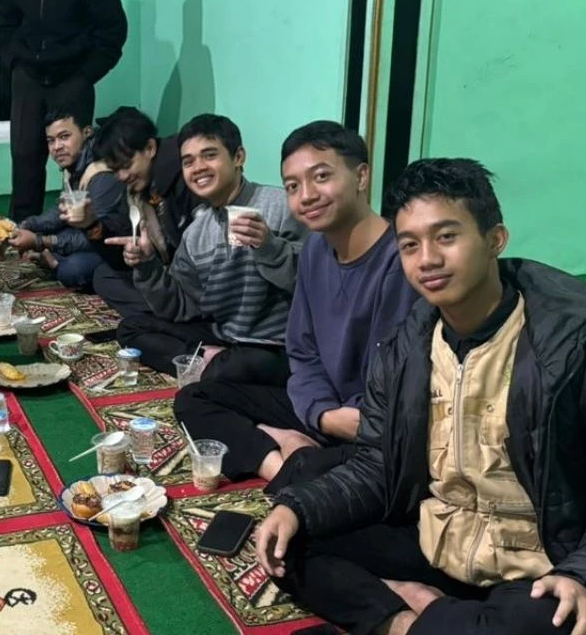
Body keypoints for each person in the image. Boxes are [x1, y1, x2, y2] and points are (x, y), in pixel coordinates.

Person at [255, 158, 586, 635]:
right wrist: (299, 508)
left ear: (495, 239)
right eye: (410, 245)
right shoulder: (404, 351)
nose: (427, 259)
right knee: (288, 537)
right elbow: (380, 466)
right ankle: (410, 621)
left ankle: (417, 619)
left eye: (446, 236)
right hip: (444, 543)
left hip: (549, 564)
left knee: (547, 621)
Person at [175, 121, 417, 483]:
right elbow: (302, 350)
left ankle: (294, 461)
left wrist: (329, 417)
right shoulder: (316, 249)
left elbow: (393, 385)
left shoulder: (400, 261)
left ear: (361, 176)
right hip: (324, 409)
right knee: (193, 400)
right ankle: (280, 461)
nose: (306, 196)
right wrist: (319, 412)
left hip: (370, 423)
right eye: (293, 186)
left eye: (321, 177)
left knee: (347, 486)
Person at [107, 114, 306, 382]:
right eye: (188, 161)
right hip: (224, 336)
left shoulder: (282, 206)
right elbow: (180, 306)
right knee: (131, 328)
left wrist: (269, 246)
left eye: (210, 155)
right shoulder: (196, 233)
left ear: (238, 157)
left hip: (276, 345)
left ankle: (209, 365)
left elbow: (315, 282)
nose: (198, 167)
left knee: (240, 367)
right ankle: (207, 360)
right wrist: (147, 266)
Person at [0, 0, 128, 222]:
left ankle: (75, 232)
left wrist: (84, 76)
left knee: (75, 159)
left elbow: (112, 33)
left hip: (72, 79)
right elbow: (5, 24)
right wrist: (15, 64)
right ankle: (23, 231)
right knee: (25, 156)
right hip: (27, 79)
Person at [89, 105, 200, 317]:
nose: (122, 176)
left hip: (196, 284)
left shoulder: (186, 178)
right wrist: (90, 225)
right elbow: (126, 249)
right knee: (103, 276)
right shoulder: (138, 191)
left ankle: (169, 317)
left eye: (126, 165)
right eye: (115, 170)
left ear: (150, 148)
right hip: (170, 276)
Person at [7, 110, 131, 290]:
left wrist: (40, 241)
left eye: (64, 137)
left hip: (116, 246)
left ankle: (54, 264)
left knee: (73, 269)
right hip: (90, 234)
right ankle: (53, 259)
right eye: (51, 140)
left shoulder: (101, 175)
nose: (57, 147)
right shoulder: (75, 164)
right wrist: (28, 224)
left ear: (87, 133)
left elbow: (99, 237)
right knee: (54, 234)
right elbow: (62, 209)